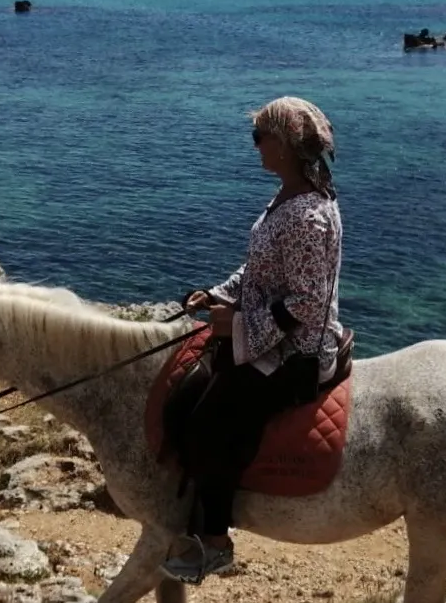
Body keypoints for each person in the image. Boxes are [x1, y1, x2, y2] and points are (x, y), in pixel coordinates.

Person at [161, 96, 346, 585]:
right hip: (272, 334)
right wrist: (218, 294)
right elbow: (261, 272)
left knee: (209, 420)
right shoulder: (287, 198)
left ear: (283, 146)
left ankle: (217, 543)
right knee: (185, 399)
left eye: (259, 137)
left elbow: (306, 302)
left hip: (298, 351)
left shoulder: (308, 216)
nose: (255, 146)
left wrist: (237, 328)